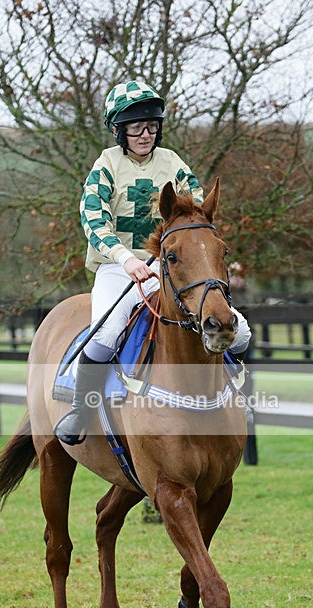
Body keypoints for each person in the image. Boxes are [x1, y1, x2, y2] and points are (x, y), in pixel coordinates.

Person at [55, 80, 251, 445]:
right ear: (119, 130)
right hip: (118, 267)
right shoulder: (106, 165)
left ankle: (237, 396)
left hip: (170, 266)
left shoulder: (173, 162)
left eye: (151, 126)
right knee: (106, 333)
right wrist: (126, 260)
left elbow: (195, 214)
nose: (145, 134)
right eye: (135, 127)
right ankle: (82, 410)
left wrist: (206, 255)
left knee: (239, 331)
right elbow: (93, 221)